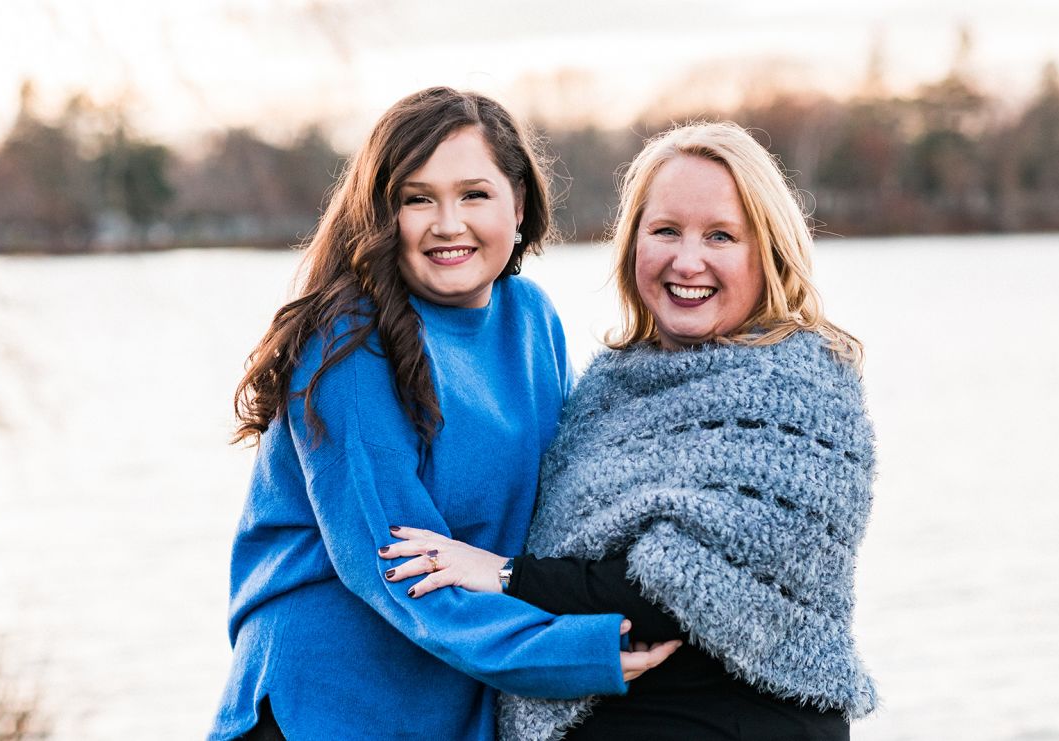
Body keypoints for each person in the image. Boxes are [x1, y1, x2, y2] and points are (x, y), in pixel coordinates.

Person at [208, 87, 679, 741]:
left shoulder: (531, 318)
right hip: (326, 704)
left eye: (474, 194)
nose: (448, 222)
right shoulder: (348, 344)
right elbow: (403, 570)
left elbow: (568, 507)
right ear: (381, 214)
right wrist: (576, 650)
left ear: (518, 203)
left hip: (454, 695)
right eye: (417, 197)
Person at [381, 121, 878, 740]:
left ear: (768, 251)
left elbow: (679, 589)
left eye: (720, 235)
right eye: (665, 231)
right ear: (633, 245)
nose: (686, 260)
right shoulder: (606, 391)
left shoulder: (802, 390)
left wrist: (503, 574)